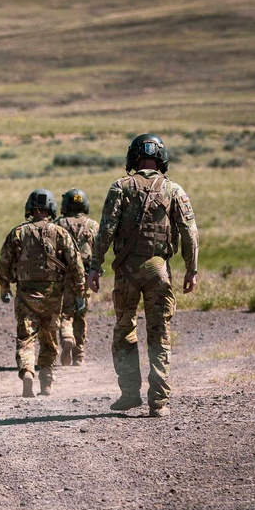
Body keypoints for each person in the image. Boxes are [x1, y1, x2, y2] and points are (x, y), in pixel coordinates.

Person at [87, 134, 200, 417]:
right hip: (159, 271)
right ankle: (159, 402)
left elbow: (105, 231)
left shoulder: (120, 188)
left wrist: (94, 266)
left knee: (125, 329)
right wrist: (191, 269)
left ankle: (128, 393)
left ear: (133, 157)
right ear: (161, 158)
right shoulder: (174, 190)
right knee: (159, 332)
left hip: (126, 271)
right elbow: (189, 232)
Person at [0, 189, 85, 398]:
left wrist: (4, 286)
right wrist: (80, 291)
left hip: (26, 295)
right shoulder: (60, 233)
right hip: (53, 297)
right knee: (49, 338)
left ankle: (27, 371)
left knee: (26, 338)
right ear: (52, 208)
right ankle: (46, 382)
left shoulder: (18, 233)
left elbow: (4, 264)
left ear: (30, 208)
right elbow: (76, 264)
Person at [54, 188, 99, 366]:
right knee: (81, 314)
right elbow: (98, 250)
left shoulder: (58, 224)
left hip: (63, 276)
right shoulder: (93, 225)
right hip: (86, 276)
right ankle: (78, 356)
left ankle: (66, 336)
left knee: (65, 313)